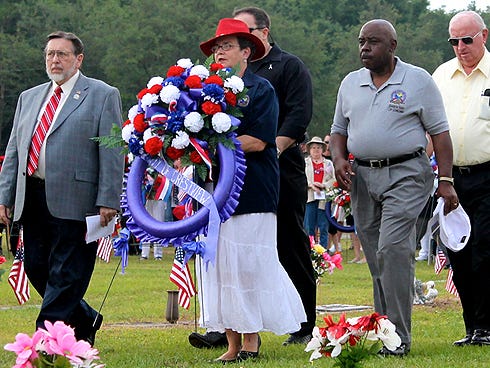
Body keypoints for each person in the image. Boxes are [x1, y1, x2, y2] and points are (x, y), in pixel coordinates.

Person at [330, 19, 458, 356]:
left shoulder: (418, 80)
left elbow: (441, 135)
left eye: (373, 42)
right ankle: (384, 327)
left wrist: (445, 180)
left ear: (392, 46)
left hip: (407, 173)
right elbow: (338, 130)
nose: (364, 48)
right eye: (361, 42)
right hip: (362, 176)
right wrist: (339, 159)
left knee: (392, 250)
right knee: (376, 257)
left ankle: (398, 336)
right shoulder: (350, 83)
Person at [0, 31, 124, 345]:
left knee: (68, 271)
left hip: (78, 200)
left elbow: (112, 148)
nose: (55, 60)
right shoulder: (29, 97)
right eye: (50, 54)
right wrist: (5, 196)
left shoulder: (102, 94)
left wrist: (108, 198)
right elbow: (15, 150)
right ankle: (84, 319)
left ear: (78, 59)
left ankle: (45, 342)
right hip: (33, 197)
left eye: (62, 54)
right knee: (36, 267)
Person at [196, 18, 306, 363]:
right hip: (215, 191)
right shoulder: (203, 90)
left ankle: (251, 342)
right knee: (221, 265)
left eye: (227, 46)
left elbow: (259, 140)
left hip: (253, 189)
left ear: (246, 52)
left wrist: (209, 146)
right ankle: (230, 343)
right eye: (217, 47)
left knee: (247, 264)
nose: (220, 52)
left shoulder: (259, 90)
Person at [233, 6, 316, 346]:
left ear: (263, 33)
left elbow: (298, 115)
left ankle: (303, 323)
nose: (233, 43)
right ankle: (232, 323)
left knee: (288, 243)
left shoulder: (289, 66)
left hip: (281, 167)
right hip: (236, 171)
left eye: (243, 33)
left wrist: (273, 148)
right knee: (234, 247)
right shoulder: (227, 72)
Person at [432, 10, 490, 346]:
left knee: (485, 250)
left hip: (487, 174)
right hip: (451, 178)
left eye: (466, 39)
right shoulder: (441, 75)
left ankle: (486, 325)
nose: (460, 46)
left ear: (484, 35)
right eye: (454, 40)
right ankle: (473, 327)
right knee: (460, 253)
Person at [304, 136, 335, 248]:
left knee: (323, 227)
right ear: (309, 150)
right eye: (313, 148)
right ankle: (310, 253)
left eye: (318, 147)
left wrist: (323, 185)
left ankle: (323, 254)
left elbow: (334, 179)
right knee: (309, 227)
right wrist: (311, 185)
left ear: (322, 149)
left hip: (324, 198)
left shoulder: (328, 164)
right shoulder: (305, 163)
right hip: (310, 197)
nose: (316, 150)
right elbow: (301, 178)